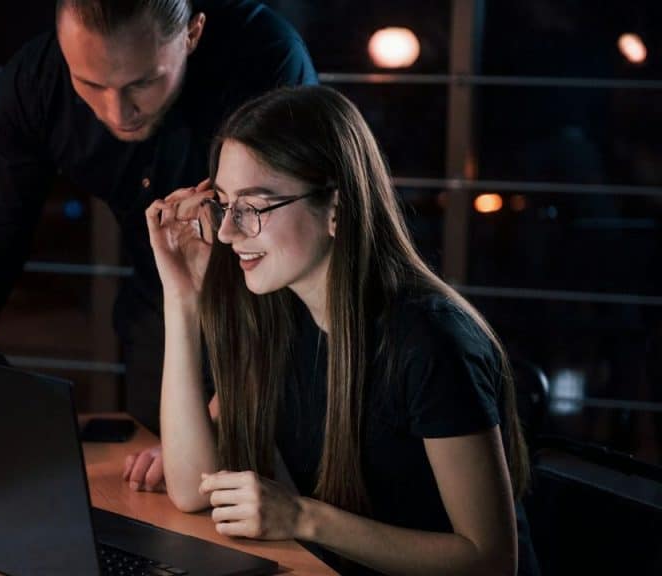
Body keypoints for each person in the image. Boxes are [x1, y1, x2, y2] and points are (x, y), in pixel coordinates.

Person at [0, 0, 316, 436]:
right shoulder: (36, 85)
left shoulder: (264, 58)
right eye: (90, 84)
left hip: (282, 309)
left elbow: (299, 241)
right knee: (157, 502)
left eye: (142, 83)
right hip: (159, 308)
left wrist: (223, 415)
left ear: (193, 34)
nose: (117, 113)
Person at [144, 85, 538, 575]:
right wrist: (181, 298)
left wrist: (303, 517)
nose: (226, 232)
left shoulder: (431, 342)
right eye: (224, 204)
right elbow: (191, 489)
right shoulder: (279, 313)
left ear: (336, 208)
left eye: (254, 207)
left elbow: (492, 561)